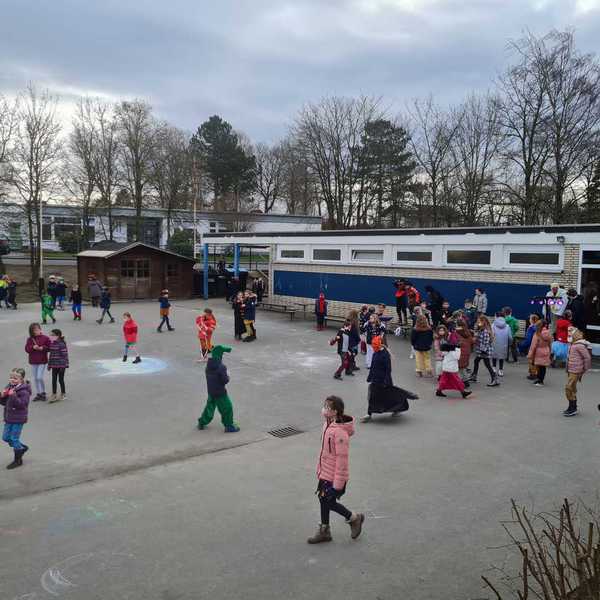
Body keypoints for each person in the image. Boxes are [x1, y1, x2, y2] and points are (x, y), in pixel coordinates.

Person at [308, 395, 364, 544]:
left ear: (335, 411)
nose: (324, 409)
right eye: (324, 405)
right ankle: (324, 530)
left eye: (328, 407)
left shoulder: (339, 432)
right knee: (323, 499)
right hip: (325, 471)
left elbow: (342, 460)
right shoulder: (327, 424)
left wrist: (338, 484)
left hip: (334, 475)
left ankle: (354, 518)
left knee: (329, 502)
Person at [361, 336, 417, 423]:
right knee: (373, 397)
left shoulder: (385, 355)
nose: (373, 347)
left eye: (375, 345)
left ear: (380, 345)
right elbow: (373, 367)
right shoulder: (375, 353)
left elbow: (388, 370)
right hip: (375, 380)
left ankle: (397, 408)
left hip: (384, 381)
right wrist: (370, 377)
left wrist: (386, 381)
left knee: (390, 397)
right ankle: (369, 414)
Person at [197, 345, 240, 433]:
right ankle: (229, 426)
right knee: (227, 408)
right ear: (220, 355)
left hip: (211, 392)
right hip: (220, 393)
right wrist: (228, 376)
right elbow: (225, 380)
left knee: (209, 408)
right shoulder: (221, 367)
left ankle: (202, 422)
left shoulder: (208, 366)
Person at [0, 368, 31, 470]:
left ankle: (18, 460)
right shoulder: (9, 387)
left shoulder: (24, 391)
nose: (12, 380)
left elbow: (22, 405)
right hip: (9, 417)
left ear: (21, 379)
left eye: (15, 378)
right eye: (11, 377)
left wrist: (13, 396)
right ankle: (21, 448)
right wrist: (2, 396)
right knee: (5, 437)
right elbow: (4, 403)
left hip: (18, 419)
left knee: (14, 438)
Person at [563, 327, 592, 417]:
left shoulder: (579, 345)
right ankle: (572, 407)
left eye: (570, 335)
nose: (569, 337)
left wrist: (584, 369)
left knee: (568, 388)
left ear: (574, 336)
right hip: (571, 369)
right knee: (572, 389)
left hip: (575, 370)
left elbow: (587, 358)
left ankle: (573, 408)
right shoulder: (573, 344)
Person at [468, 315, 498, 386]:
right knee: (476, 361)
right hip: (482, 350)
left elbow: (486, 342)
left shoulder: (485, 331)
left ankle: (494, 379)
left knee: (487, 365)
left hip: (484, 351)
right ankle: (474, 376)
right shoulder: (481, 329)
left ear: (483, 322)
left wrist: (482, 350)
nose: (478, 323)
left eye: (479, 322)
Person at [25, 323, 50, 402]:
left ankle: (43, 392)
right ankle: (39, 393)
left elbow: (50, 347)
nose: (36, 331)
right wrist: (32, 347)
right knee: (35, 378)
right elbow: (27, 349)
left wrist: (42, 348)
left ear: (40, 329)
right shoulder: (30, 339)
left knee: (39, 377)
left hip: (42, 361)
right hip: (33, 361)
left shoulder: (45, 338)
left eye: (37, 329)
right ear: (31, 331)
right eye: (34, 330)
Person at [528, 320, 552, 386]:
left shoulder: (537, 334)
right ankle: (541, 380)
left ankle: (539, 380)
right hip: (546, 350)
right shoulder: (548, 333)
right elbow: (550, 343)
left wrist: (530, 354)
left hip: (538, 351)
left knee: (538, 366)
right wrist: (550, 351)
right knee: (543, 367)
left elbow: (533, 345)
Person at [47, 329, 69, 403]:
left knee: (60, 380)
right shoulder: (52, 343)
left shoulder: (61, 344)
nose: (51, 336)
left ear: (58, 336)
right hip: (54, 365)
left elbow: (65, 355)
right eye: (50, 335)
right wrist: (49, 365)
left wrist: (64, 366)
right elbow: (51, 355)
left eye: (53, 335)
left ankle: (63, 394)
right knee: (54, 380)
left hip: (61, 365)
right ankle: (54, 394)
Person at [519, 314, 541, 380]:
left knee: (531, 361)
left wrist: (522, 345)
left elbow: (528, 339)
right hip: (537, 346)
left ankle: (532, 374)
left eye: (530, 318)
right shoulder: (538, 327)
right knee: (535, 360)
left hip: (531, 346)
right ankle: (536, 373)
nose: (529, 319)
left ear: (532, 320)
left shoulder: (531, 328)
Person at [491, 312, 512, 379]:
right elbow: (510, 337)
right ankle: (500, 370)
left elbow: (491, 335)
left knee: (494, 355)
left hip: (494, 343)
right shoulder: (507, 326)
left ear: (497, 317)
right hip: (504, 344)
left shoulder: (493, 325)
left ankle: (494, 368)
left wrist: (490, 342)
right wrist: (510, 343)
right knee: (501, 357)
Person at [455, 316, 474, 381]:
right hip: (467, 351)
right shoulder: (467, 331)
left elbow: (454, 342)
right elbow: (472, 341)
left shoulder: (456, 332)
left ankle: (464, 380)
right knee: (463, 367)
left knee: (459, 367)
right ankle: (464, 379)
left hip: (460, 351)